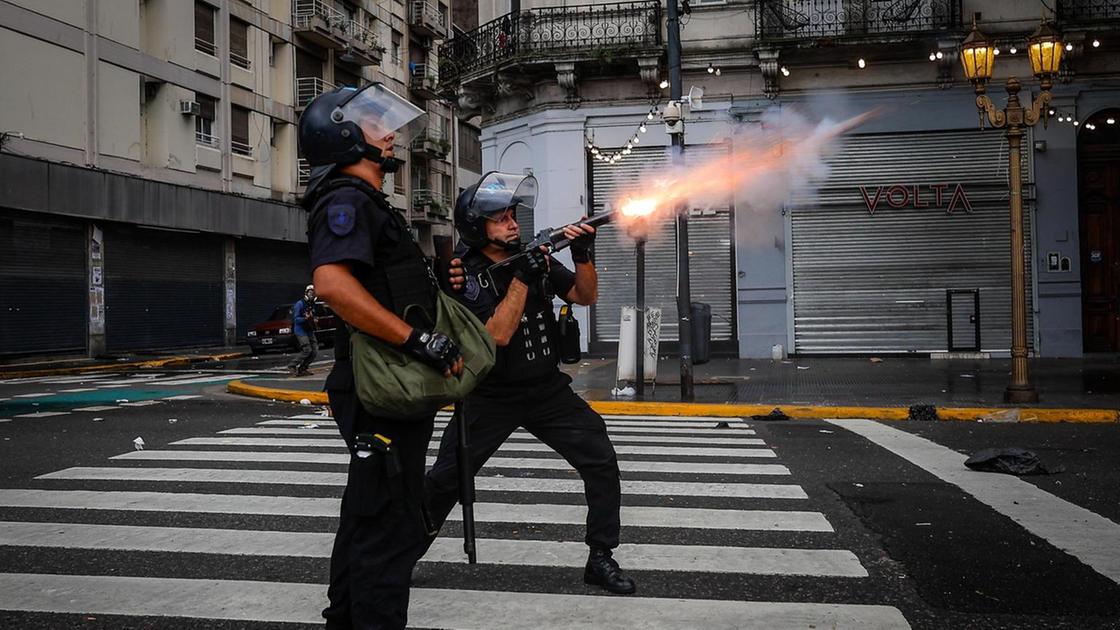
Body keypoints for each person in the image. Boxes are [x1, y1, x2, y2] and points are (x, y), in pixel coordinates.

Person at [299, 83, 465, 630]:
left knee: (365, 518)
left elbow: (383, 287)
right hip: (379, 392)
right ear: (345, 138)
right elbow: (332, 284)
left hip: (385, 390)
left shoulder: (368, 203)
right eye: (376, 126)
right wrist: (418, 341)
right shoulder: (346, 199)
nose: (390, 134)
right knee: (389, 530)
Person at [425, 172, 637, 595]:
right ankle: (400, 553)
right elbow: (496, 335)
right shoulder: (463, 275)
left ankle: (600, 556)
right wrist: (522, 277)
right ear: (475, 227)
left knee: (600, 457)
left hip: (545, 389)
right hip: (490, 394)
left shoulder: (530, 255)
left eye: (513, 215)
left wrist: (582, 252)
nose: (512, 223)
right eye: (499, 218)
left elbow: (583, 296)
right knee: (448, 477)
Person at [288, 284, 318, 376]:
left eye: (313, 292)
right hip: (301, 331)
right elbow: (296, 319)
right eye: (310, 292)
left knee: (315, 350)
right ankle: (292, 365)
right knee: (307, 349)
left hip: (309, 330)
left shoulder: (312, 304)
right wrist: (306, 319)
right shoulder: (299, 304)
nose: (312, 294)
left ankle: (303, 368)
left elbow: (312, 316)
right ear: (306, 293)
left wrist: (314, 320)